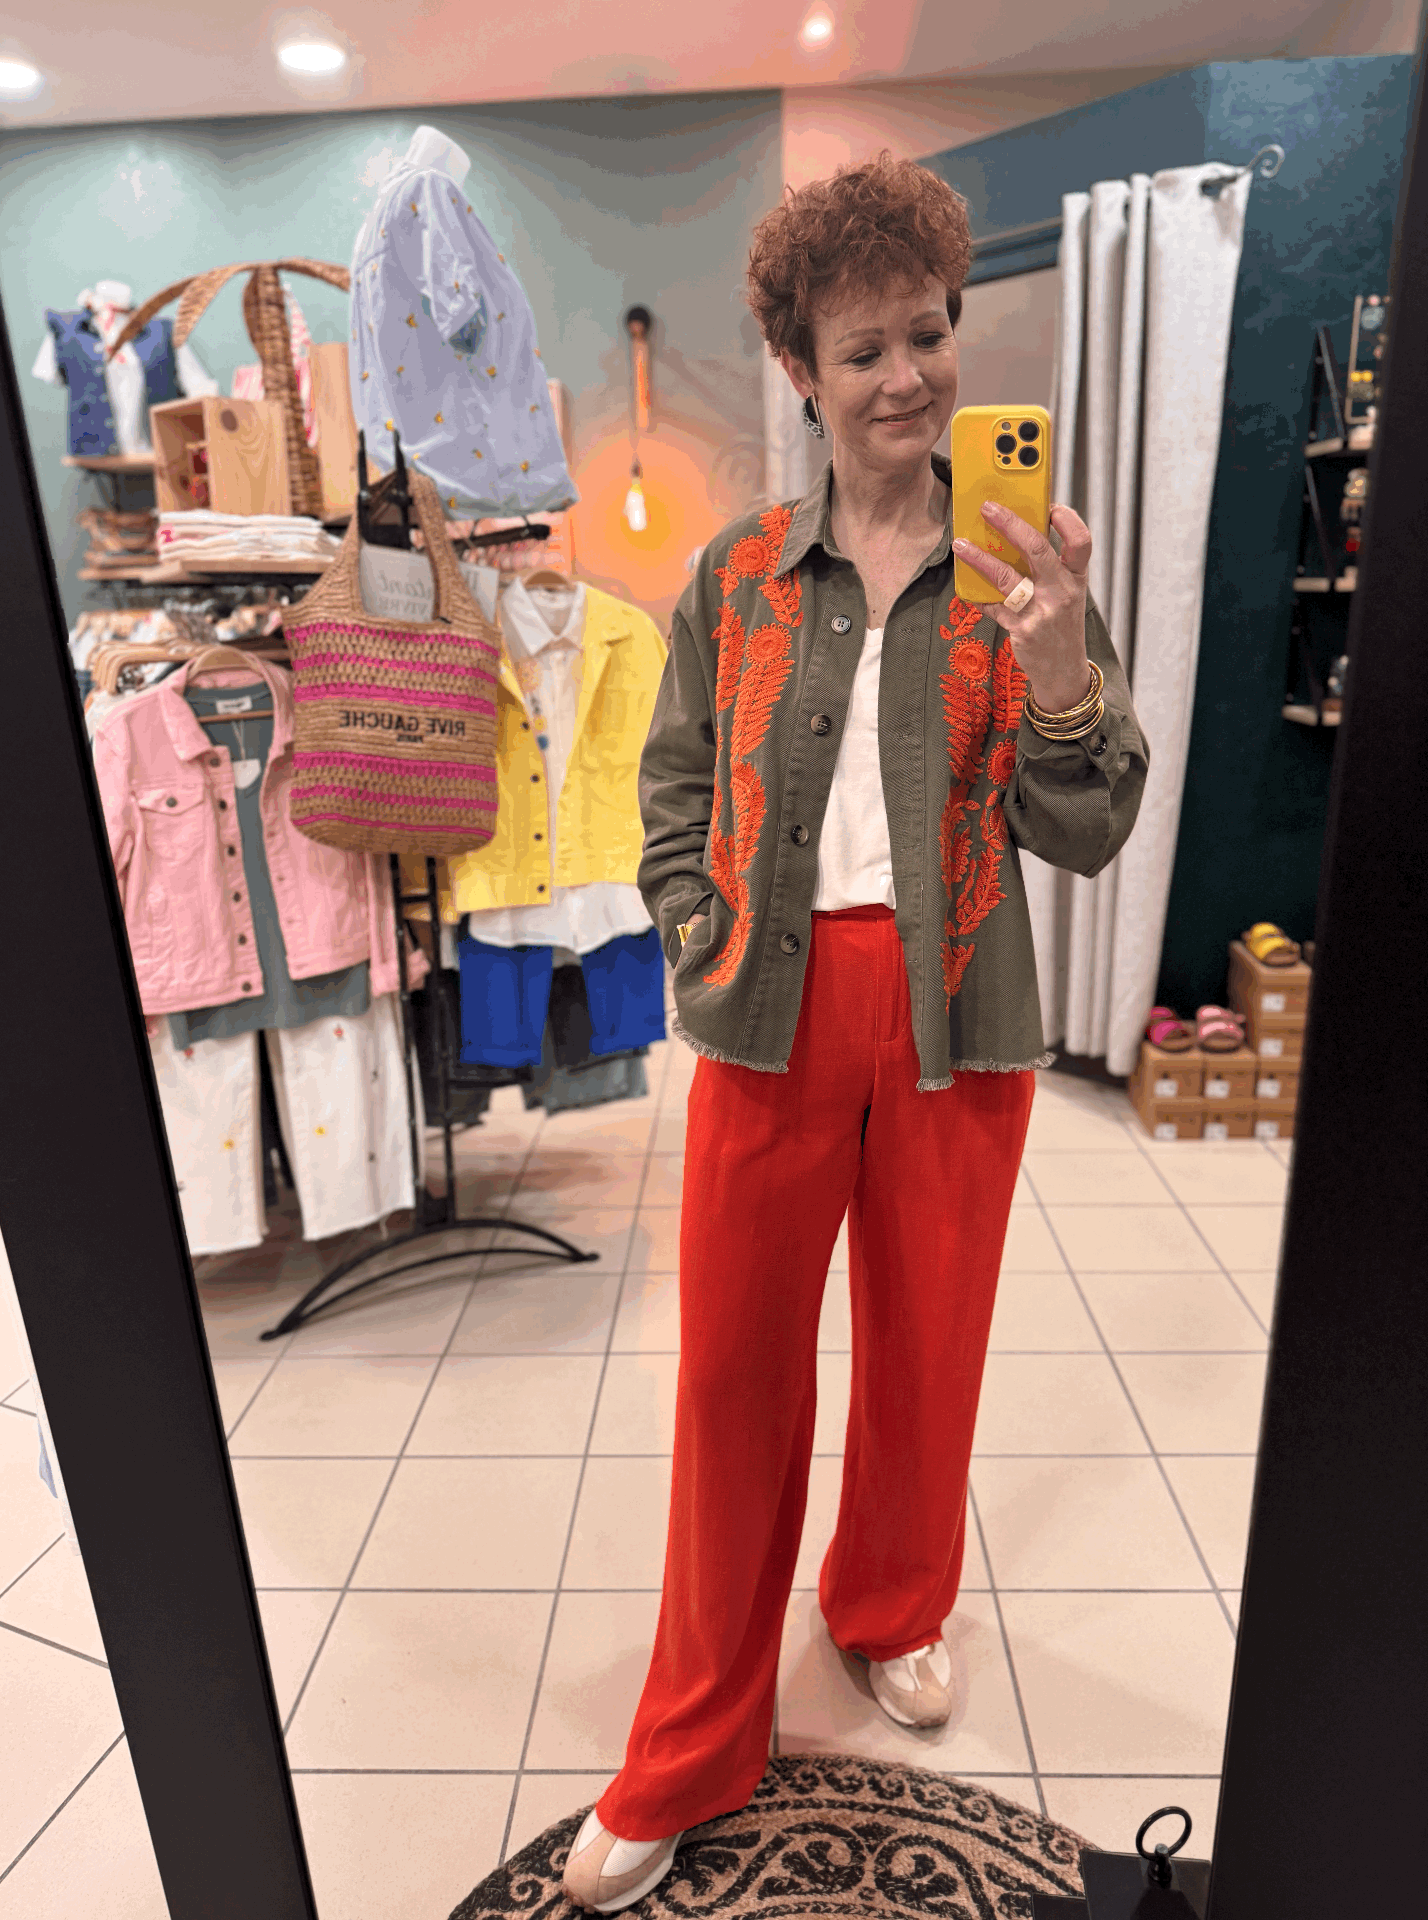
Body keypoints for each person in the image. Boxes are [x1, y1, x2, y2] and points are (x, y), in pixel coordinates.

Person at [562, 153, 1149, 1913]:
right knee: (733, 1379)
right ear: (800, 371)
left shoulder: (1022, 566)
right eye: (865, 348)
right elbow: (675, 784)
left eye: (929, 334)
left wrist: (1063, 663)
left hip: (959, 1013)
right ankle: (691, 1739)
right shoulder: (740, 575)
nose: (909, 376)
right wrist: (697, 931)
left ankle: (891, 1606)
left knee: (926, 1353)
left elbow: (1088, 824)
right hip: (770, 1013)